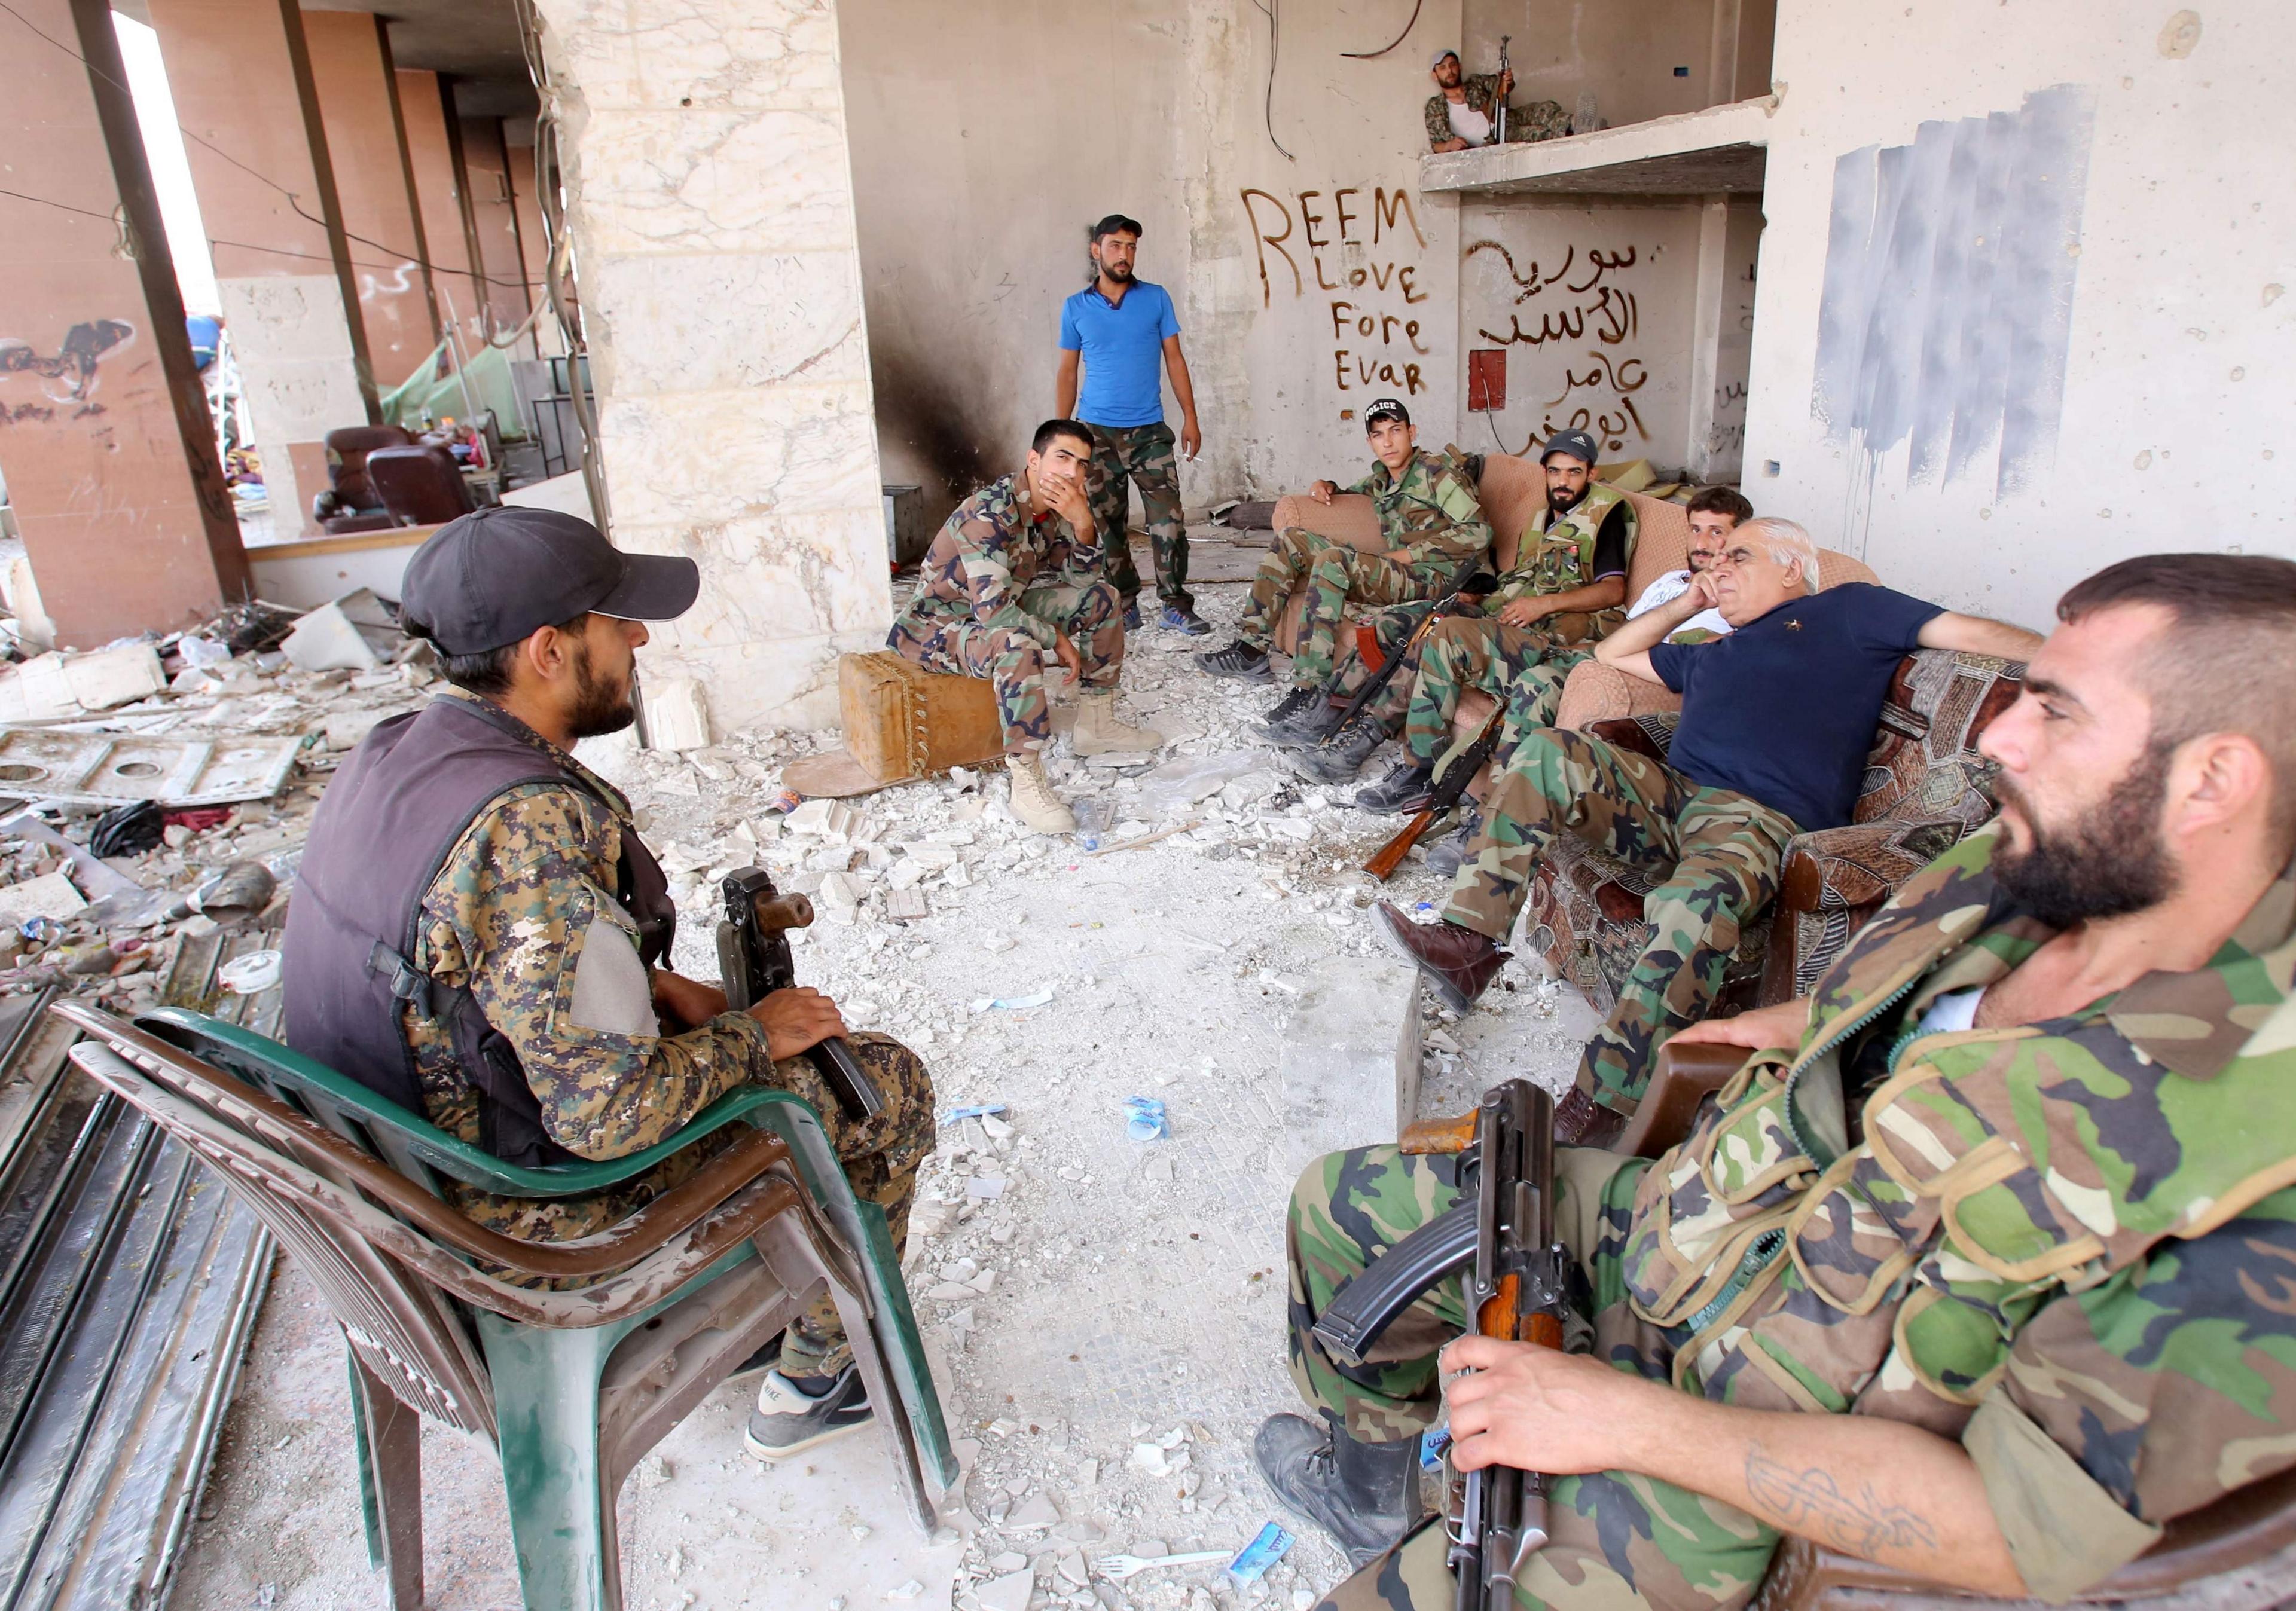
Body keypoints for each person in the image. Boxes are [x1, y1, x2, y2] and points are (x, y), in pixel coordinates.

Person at [1267, 552, 2296, 1611]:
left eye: (2058, 711)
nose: (1996, 739)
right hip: (1698, 1226)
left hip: (1762, 1449)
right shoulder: (2028, 869)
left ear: (2214, 779)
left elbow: (2014, 1531)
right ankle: (1379, 1485)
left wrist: (1610, 1418)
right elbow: (1897, 1010)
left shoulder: (2249, 1169)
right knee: (1336, 1207)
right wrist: (1798, 1027)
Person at [282, 506, 937, 1463]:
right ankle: (814, 1375)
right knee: (880, 1083)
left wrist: (652, 982)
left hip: (403, 1170)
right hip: (512, 1222)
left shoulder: (401, 751)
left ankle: (776, 1305)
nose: (638, 638)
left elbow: (473, 965)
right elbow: (606, 1117)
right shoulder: (527, 827)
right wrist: (756, 1033)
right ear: (548, 650)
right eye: (615, 619)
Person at [1374, 518, 2040, 1145]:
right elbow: (1612, 653)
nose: (1719, 567)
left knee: (1696, 905)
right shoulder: (1717, 650)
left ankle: (1602, 1105)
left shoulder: (1851, 611)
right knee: (1549, 750)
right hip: (1670, 798)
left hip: (1757, 817)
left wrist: (2074, 664)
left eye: (1737, 557)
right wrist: (1690, 601)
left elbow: (1976, 634)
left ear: (1791, 568)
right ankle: (1468, 942)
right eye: (1713, 560)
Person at [1405, 484, 1752, 876]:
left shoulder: (1732, 606)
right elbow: (1624, 625)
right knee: (1452, 632)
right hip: (1587, 651)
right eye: (1695, 529)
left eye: (1717, 532)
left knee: (1536, 683)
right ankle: (1420, 766)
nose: (1702, 542)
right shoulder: (1672, 580)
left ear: (1740, 541)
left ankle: (1490, 824)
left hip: (1613, 674)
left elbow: (1689, 659)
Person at [1291, 430, 1639, 792]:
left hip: (1551, 631)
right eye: (1555, 472)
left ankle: (1368, 746)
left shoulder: (1605, 514)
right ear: (1545, 473)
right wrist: (1477, 597)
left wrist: (1545, 604)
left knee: (1438, 635)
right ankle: (1332, 712)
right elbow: (1522, 579)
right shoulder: (1544, 517)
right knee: (1405, 620)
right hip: (1502, 611)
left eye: (1574, 472)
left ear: (1592, 474)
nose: (1563, 481)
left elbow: (1612, 590)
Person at [887, 419, 1163, 834]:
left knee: (1103, 598)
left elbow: (1082, 582)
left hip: (998, 607)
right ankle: (1025, 776)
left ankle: (1097, 723)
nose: (1072, 473)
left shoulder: (1049, 511)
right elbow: (995, 617)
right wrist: (1057, 638)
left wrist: (1084, 524)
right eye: (1062, 458)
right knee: (1020, 645)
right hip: (938, 626)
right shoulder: (989, 512)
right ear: (1034, 460)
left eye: (1082, 465)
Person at [1198, 400, 1493, 739]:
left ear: (1411, 433)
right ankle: (1251, 648)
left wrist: (1411, 554)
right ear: (1370, 442)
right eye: (1378, 435)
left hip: (1439, 578)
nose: (1388, 442)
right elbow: (1354, 491)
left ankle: (1310, 689)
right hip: (1404, 572)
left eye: (1396, 431)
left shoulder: (1436, 474)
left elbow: (1479, 531)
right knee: (1292, 540)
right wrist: (1326, 484)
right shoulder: (1384, 478)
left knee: (1334, 562)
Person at [1058, 213, 1207, 635]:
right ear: (1097, 250)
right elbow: (1068, 372)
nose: (1124, 255)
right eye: (1116, 246)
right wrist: (1062, 433)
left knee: (1169, 521)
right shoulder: (1076, 308)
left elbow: (1174, 360)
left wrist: (1191, 417)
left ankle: (1175, 604)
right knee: (1108, 524)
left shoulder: (1156, 299)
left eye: (1131, 247)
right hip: (1096, 435)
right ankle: (1123, 602)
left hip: (1150, 433)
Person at [1424, 48, 1568, 154]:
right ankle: (1569, 132)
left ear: (1459, 67)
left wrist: (1507, 80)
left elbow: (1500, 87)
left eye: (1452, 65)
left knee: (1544, 110)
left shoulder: (1475, 82)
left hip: (1507, 118)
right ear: (1435, 75)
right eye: (1443, 68)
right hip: (1498, 137)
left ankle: (1576, 123)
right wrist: (1449, 145)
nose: (1449, 71)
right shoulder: (1435, 107)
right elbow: (1436, 144)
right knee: (1538, 132)